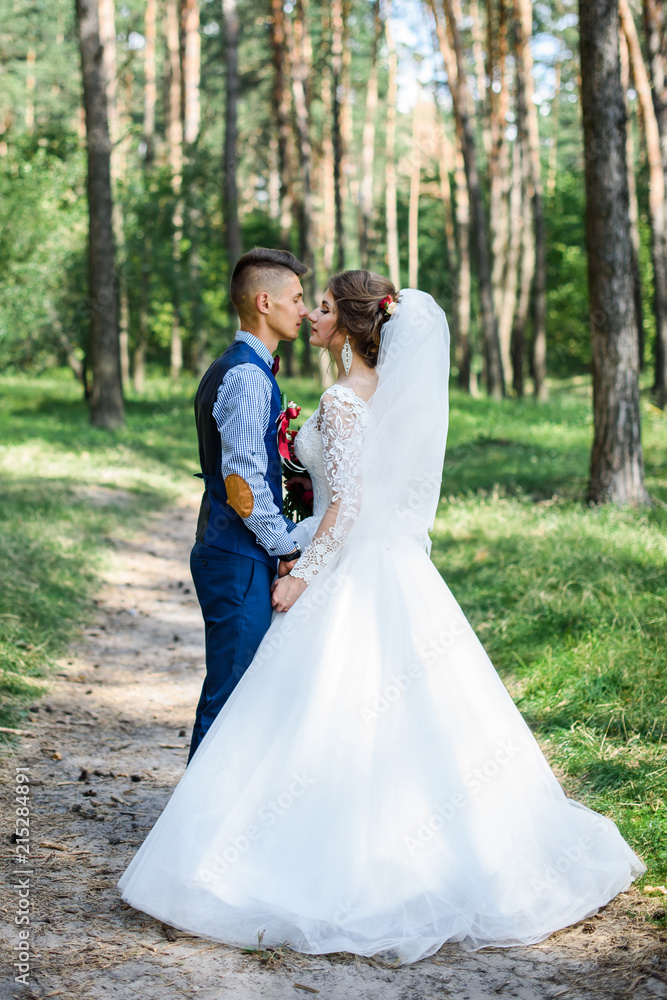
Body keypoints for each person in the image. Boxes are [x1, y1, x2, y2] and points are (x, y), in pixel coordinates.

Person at [119, 272, 645, 964]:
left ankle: (297, 859)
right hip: (384, 568)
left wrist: (301, 572)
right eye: (309, 303)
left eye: (325, 307)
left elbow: (348, 506)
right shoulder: (370, 398)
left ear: (353, 326)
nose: (313, 316)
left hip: (345, 571)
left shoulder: (340, 403)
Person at [187, 247, 310, 762]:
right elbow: (243, 484)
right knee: (230, 695)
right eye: (297, 298)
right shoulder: (246, 375)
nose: (304, 309)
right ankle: (197, 832)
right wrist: (285, 544)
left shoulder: (246, 368)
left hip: (235, 551)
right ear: (265, 302)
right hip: (235, 553)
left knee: (240, 689)